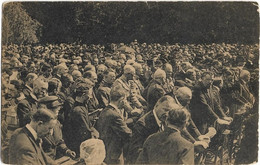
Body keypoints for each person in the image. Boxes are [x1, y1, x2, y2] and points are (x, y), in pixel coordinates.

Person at [126, 96, 179, 164]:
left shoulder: (164, 121)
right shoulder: (143, 125)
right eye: (165, 110)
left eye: (170, 112)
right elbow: (135, 151)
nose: (167, 114)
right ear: (156, 105)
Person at [96, 85, 132, 164]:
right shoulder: (114, 115)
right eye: (125, 100)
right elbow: (127, 134)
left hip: (106, 150)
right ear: (121, 100)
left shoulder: (106, 110)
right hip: (114, 154)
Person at [64, 78, 99, 156]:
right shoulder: (78, 111)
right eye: (89, 94)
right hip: (79, 147)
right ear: (83, 95)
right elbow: (85, 132)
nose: (90, 97)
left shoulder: (81, 107)